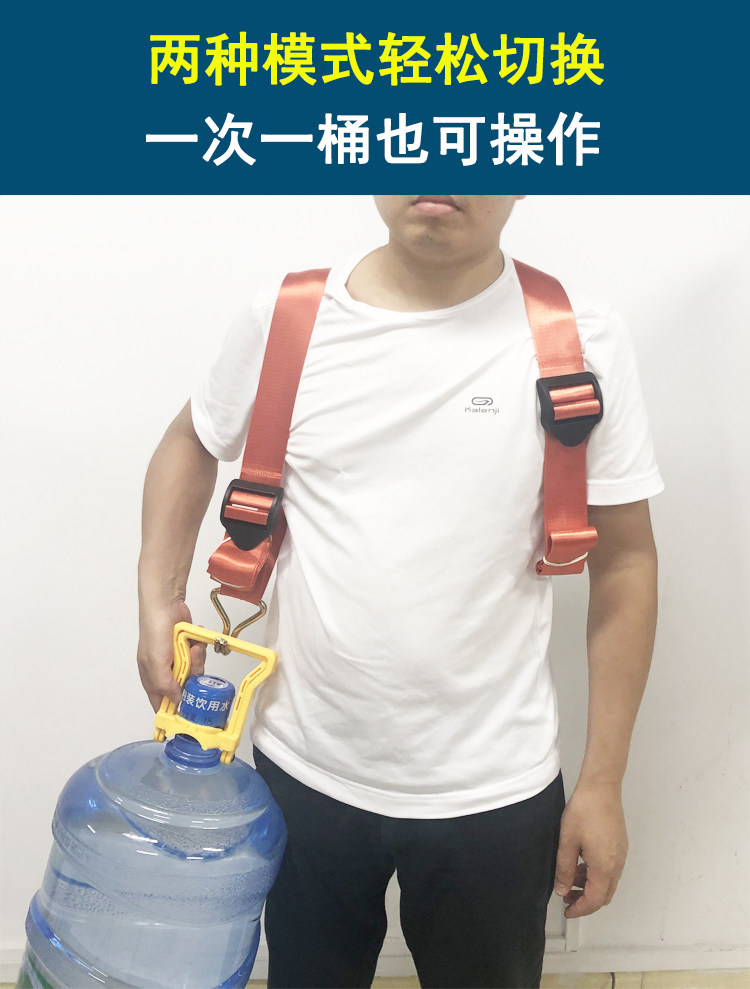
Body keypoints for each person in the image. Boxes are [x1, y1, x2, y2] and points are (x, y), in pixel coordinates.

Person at [137, 195, 663, 989]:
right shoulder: (287, 318)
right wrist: (159, 597)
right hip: (303, 770)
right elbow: (192, 438)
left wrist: (602, 782)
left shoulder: (581, 338)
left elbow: (625, 562)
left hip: (496, 789)